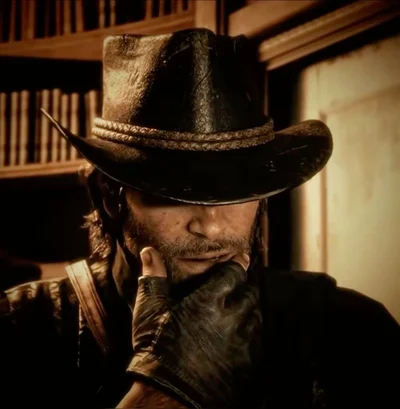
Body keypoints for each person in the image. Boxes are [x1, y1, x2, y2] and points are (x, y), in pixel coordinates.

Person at [1, 29, 399, 409]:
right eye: (173, 195)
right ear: (110, 196)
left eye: (237, 193)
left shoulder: (346, 329)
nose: (210, 227)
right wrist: (163, 391)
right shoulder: (19, 329)